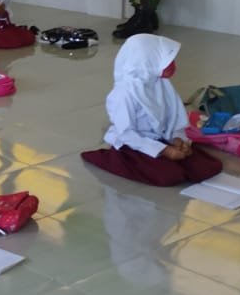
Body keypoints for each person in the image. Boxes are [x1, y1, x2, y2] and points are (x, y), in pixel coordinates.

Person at [81, 34, 222, 186]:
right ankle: (111, 158)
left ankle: (166, 156)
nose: (171, 65)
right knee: (169, 177)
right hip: (135, 143)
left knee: (208, 168)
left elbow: (173, 117)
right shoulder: (123, 93)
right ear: (146, 61)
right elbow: (127, 134)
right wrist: (164, 150)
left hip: (161, 138)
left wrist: (178, 139)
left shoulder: (160, 83)